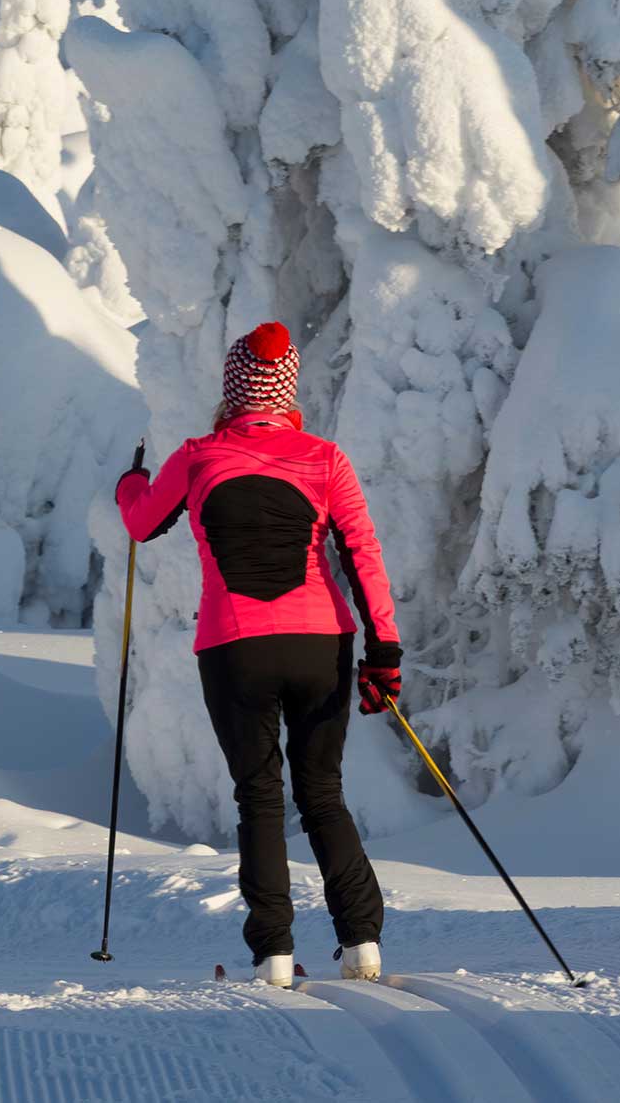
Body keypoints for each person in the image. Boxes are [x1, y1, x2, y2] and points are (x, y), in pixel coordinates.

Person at [115, 321, 403, 987]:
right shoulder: (325, 459)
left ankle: (273, 954)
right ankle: (361, 942)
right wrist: (383, 649)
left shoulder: (197, 457)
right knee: (322, 791)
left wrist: (133, 482)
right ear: (287, 390)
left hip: (234, 643)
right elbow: (363, 554)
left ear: (232, 389)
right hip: (321, 641)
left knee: (260, 794)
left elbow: (140, 523)